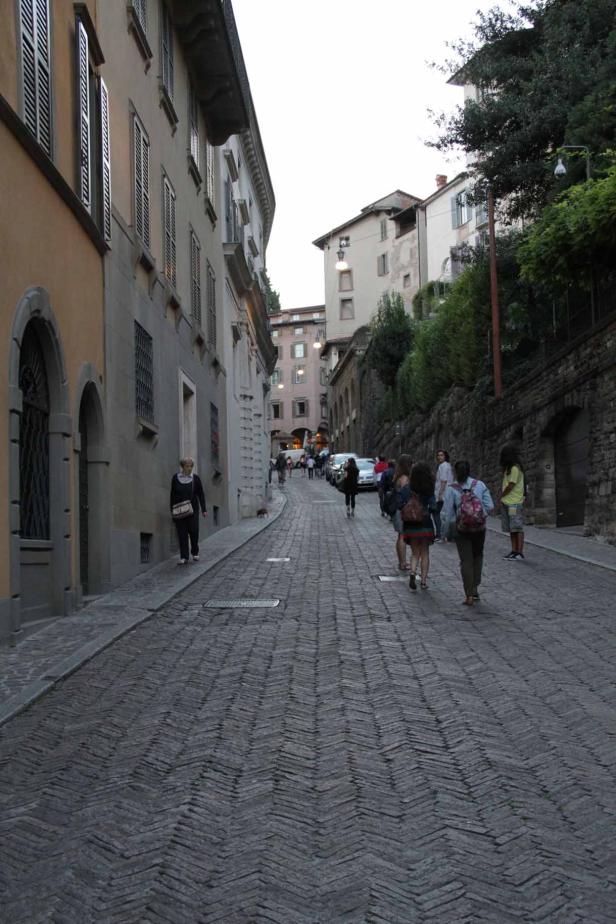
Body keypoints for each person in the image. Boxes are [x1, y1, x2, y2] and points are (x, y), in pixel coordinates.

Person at [440, 460, 494, 606]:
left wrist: (445, 533)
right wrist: (478, 514)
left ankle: (468, 594)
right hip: (479, 529)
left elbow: (447, 514)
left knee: (466, 561)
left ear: (456, 473)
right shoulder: (480, 485)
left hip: (461, 529)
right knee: (478, 556)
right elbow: (490, 506)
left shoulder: (452, 489)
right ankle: (475, 587)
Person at [402, 462, 437, 590]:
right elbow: (433, 506)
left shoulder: (407, 488)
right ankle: (423, 582)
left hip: (411, 524)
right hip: (425, 522)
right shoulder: (428, 488)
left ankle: (412, 573)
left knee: (415, 553)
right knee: (425, 553)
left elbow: (402, 501)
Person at [169, 457, 207, 564]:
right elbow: (172, 495)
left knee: (194, 532)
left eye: (191, 466)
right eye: (187, 466)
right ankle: (184, 556)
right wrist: (171, 510)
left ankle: (195, 552)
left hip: (193, 510)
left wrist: (204, 509)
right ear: (182, 466)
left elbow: (201, 494)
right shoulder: (175, 478)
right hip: (179, 510)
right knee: (182, 533)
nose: (190, 468)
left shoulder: (195, 479)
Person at [500, 444, 526, 560]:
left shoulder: (515, 468)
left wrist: (502, 494)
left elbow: (511, 484)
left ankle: (519, 552)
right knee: (511, 528)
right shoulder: (508, 469)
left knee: (517, 527)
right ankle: (514, 550)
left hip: (514, 502)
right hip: (507, 502)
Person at [391, 454, 413, 570]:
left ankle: (401, 562)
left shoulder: (397, 476)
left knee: (400, 535)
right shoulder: (404, 478)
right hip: (401, 509)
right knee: (402, 536)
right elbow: (405, 494)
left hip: (397, 509)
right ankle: (403, 563)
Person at [433, 449, 454, 541]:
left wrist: (440, 494)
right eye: (438, 455)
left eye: (441, 455)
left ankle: (439, 534)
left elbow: (443, 481)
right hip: (447, 493)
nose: (439, 457)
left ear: (445, 456)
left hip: (443, 493)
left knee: (437, 513)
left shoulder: (443, 466)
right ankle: (445, 535)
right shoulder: (447, 466)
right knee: (445, 514)